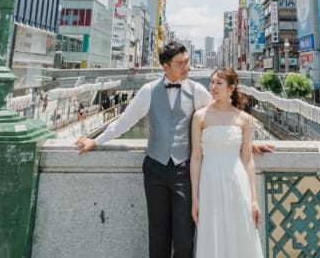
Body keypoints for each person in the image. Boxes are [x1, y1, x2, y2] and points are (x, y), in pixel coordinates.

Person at [76, 41, 273, 258]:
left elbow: (222, 118)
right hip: (155, 169)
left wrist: (247, 142)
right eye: (180, 63)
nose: (186, 67)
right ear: (166, 66)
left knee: (184, 241)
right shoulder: (148, 91)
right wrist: (96, 141)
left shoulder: (198, 92)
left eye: (187, 62)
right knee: (158, 236)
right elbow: (125, 122)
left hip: (184, 170)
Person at [190, 68, 264, 258]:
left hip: (236, 182)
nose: (212, 87)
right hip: (209, 182)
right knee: (211, 234)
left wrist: (254, 200)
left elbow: (248, 159)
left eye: (218, 83)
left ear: (231, 88)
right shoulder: (200, 116)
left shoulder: (245, 119)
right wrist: (195, 198)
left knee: (240, 233)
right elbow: (196, 157)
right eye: (212, 82)